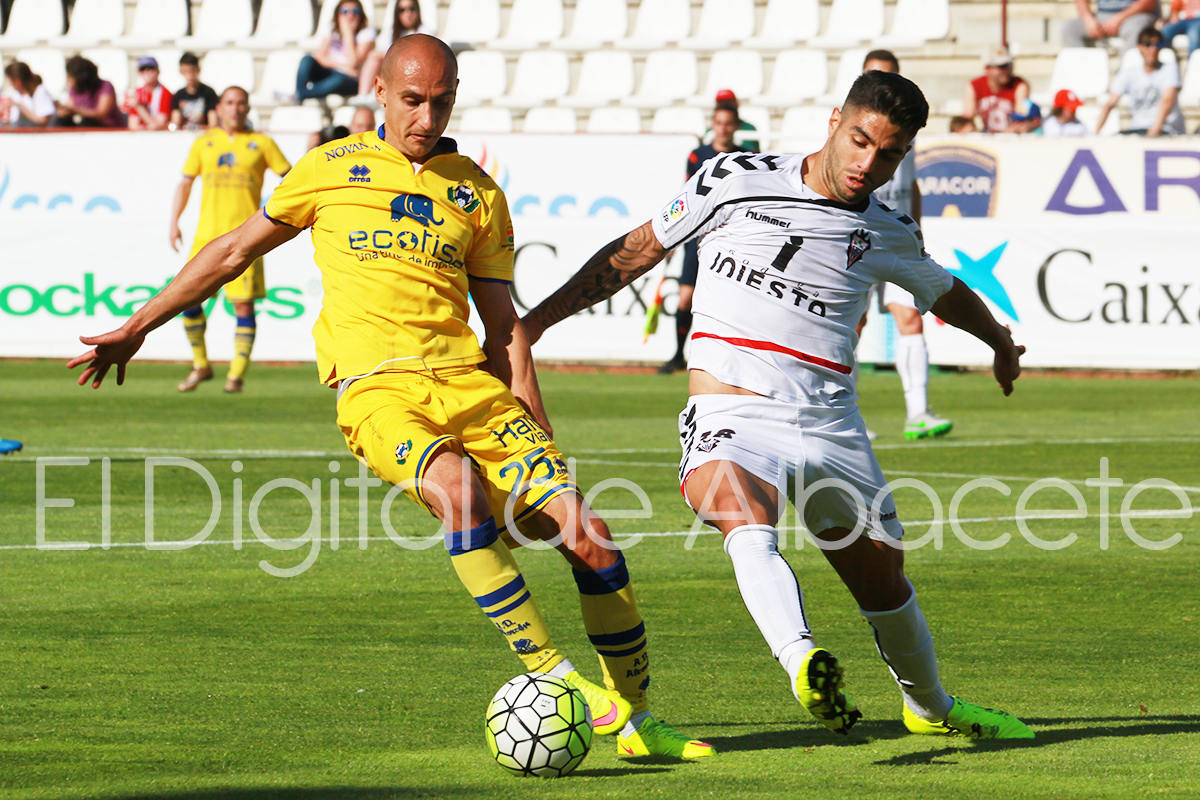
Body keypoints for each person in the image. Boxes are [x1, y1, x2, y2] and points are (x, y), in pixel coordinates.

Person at [70, 35, 712, 761]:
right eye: (412, 100)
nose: (426, 118)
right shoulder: (329, 168)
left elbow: (503, 328)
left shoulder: (477, 192)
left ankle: (638, 722)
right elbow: (230, 252)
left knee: (589, 535)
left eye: (441, 102)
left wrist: (538, 425)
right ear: (378, 90)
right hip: (378, 390)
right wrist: (138, 327)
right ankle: (556, 676)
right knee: (457, 491)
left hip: (471, 386)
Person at [521, 71, 1034, 742]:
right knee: (741, 512)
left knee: (883, 583)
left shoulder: (888, 230)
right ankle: (803, 664)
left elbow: (944, 290)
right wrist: (535, 323)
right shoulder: (734, 180)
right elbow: (642, 247)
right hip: (732, 414)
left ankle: (932, 708)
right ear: (833, 121)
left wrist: (999, 342)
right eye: (860, 141)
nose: (867, 164)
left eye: (888, 154)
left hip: (831, 423)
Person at [168, 87, 292, 393]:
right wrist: (174, 222)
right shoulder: (204, 142)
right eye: (230, 103)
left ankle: (236, 375)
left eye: (241, 103)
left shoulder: (262, 143)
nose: (236, 108)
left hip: (247, 238)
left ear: (248, 108)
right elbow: (185, 183)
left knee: (243, 308)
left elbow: (291, 181)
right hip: (206, 238)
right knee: (187, 300)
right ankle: (201, 364)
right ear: (220, 108)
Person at [861, 50, 952, 440]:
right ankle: (843, 416)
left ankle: (919, 413)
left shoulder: (908, 131)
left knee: (911, 318)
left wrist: (917, 231)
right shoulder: (854, 127)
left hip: (897, 238)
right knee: (850, 323)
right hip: (859, 234)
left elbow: (911, 185)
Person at [659, 104, 756, 374]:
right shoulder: (697, 155)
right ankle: (678, 354)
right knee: (685, 298)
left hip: (730, 237)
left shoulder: (747, 157)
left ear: (735, 127)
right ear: (713, 125)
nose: (723, 129)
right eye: (719, 123)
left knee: (729, 302)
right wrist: (673, 235)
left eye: (728, 123)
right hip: (697, 235)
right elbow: (687, 195)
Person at [1095, 27, 1186, 136]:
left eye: (1157, 45)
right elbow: (1110, 103)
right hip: (1138, 129)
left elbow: (1167, 101)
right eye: (1148, 44)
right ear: (1139, 47)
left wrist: (1153, 132)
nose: (1153, 49)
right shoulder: (1129, 72)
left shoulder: (1170, 68)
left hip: (1166, 131)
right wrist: (1096, 133)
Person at [296, 0, 377, 103]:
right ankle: (300, 93)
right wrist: (343, 67)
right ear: (338, 14)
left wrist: (348, 34)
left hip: (350, 80)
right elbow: (320, 56)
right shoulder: (332, 28)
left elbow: (354, 63)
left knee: (339, 79)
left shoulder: (367, 33)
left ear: (361, 14)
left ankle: (300, 95)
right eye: (344, 11)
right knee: (307, 59)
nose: (350, 15)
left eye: (355, 11)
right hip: (332, 72)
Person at [355, 0, 436, 100]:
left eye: (412, 9)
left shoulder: (424, 32)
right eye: (402, 10)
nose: (408, 13)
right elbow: (378, 50)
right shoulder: (391, 32)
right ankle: (364, 95)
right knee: (374, 58)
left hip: (414, 71)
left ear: (418, 11)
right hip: (393, 69)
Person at [963, 47, 1031, 133]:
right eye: (1000, 67)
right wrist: (968, 128)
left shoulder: (1019, 85)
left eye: (1008, 66)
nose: (1005, 71)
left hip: (1011, 136)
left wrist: (1006, 132)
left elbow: (1021, 118)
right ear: (987, 69)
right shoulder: (975, 85)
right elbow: (968, 116)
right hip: (986, 134)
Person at [1062, 0, 1159, 53]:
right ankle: (1083, 73)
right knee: (1069, 29)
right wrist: (1088, 19)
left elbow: (1149, 2)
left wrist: (1120, 18)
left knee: (1137, 31)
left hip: (1134, 15)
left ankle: (1124, 76)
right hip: (1101, 16)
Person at [55, 55, 125, 128]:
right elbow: (71, 107)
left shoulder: (105, 86)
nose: (68, 80)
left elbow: (102, 113)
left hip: (108, 128)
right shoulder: (74, 89)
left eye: (70, 76)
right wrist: (64, 111)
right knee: (61, 121)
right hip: (86, 126)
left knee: (87, 122)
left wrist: (76, 110)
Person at [170, 52, 219, 131]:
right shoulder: (179, 95)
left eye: (192, 71)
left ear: (198, 70)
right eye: (185, 71)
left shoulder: (209, 93)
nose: (189, 76)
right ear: (181, 71)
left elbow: (213, 123)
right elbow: (175, 122)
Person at [124, 56, 173, 131]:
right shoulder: (136, 93)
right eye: (143, 69)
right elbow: (132, 125)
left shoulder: (165, 93)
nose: (147, 72)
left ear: (158, 71)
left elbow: (158, 126)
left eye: (151, 68)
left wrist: (138, 106)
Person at [2, 61, 56, 127]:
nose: (10, 84)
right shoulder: (16, 95)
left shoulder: (39, 91)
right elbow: (11, 124)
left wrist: (20, 106)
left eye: (11, 81)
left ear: (18, 81)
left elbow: (43, 120)